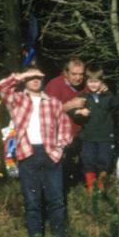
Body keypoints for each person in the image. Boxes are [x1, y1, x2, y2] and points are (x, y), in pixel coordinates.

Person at [0, 66, 73, 237]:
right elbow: (2, 87)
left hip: (50, 154)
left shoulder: (53, 102)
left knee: (56, 200)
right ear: (25, 80)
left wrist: (60, 147)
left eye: (39, 76)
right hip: (27, 154)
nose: (35, 79)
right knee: (32, 202)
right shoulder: (16, 100)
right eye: (31, 77)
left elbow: (65, 126)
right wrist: (21, 74)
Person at [45, 57, 87, 187]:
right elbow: (48, 113)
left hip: (81, 132)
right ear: (66, 73)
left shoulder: (86, 85)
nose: (78, 78)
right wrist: (70, 105)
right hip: (59, 134)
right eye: (74, 74)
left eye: (81, 74)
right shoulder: (54, 85)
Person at [75, 63, 117, 192]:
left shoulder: (108, 96)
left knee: (104, 160)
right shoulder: (83, 96)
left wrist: (108, 92)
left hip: (105, 136)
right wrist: (79, 112)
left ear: (102, 82)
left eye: (96, 81)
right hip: (88, 136)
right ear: (86, 82)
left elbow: (116, 107)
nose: (93, 84)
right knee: (88, 160)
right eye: (90, 81)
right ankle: (91, 187)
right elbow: (73, 111)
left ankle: (101, 185)